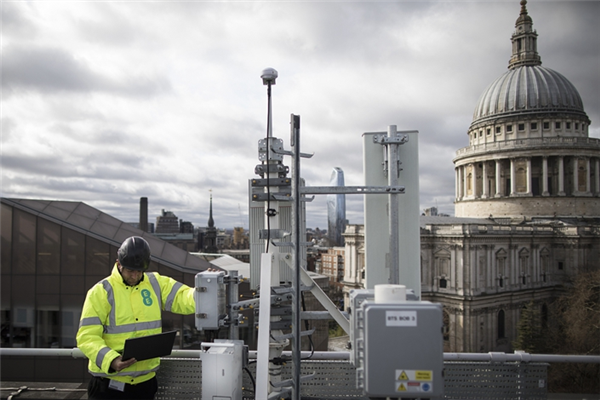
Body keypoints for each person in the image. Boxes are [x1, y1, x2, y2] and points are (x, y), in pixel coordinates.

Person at [76, 236, 197, 400]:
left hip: (145, 385)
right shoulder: (101, 292)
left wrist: (205, 289)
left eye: (139, 271)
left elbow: (184, 297)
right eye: (130, 270)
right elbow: (86, 337)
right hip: (109, 385)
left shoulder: (155, 283)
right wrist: (111, 360)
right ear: (119, 264)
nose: (134, 276)